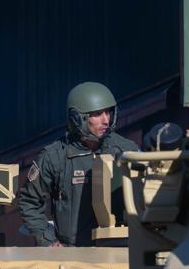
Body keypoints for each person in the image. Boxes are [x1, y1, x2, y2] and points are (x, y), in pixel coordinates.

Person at [17, 82, 137, 247]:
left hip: (120, 250)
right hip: (74, 255)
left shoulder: (126, 151)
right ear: (77, 118)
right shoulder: (55, 157)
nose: (106, 120)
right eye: (97, 114)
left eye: (108, 112)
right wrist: (48, 240)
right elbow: (29, 201)